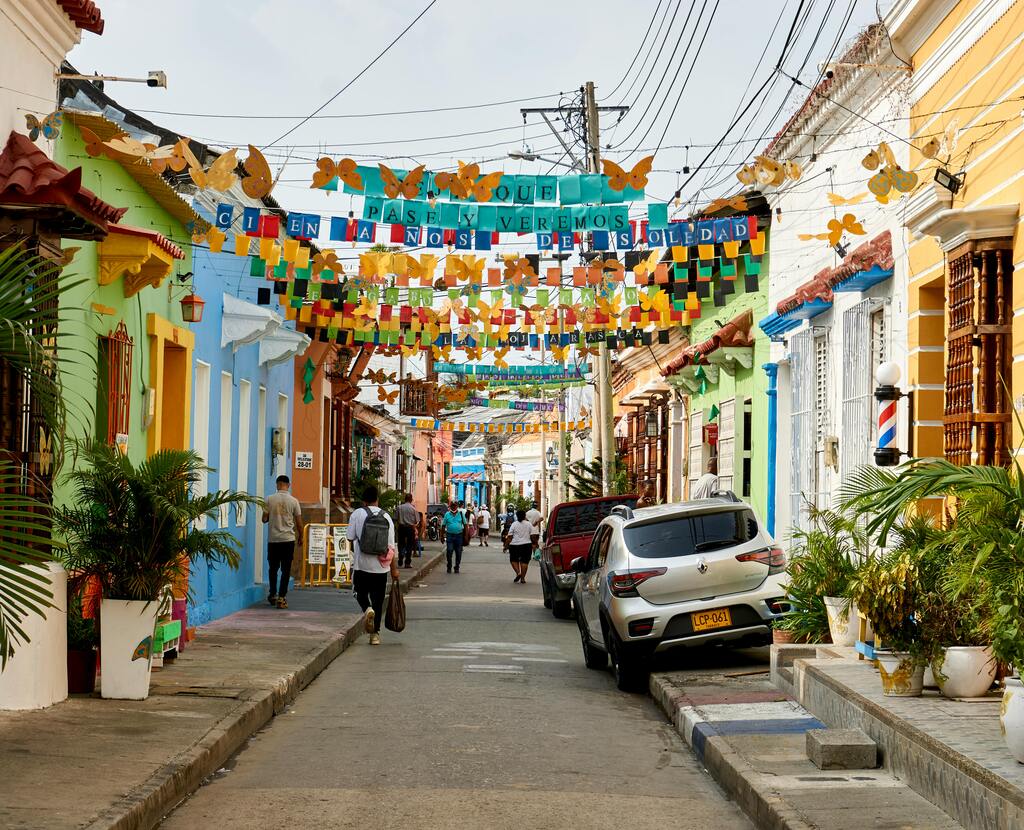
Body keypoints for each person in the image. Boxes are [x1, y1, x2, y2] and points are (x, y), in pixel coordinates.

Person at [346, 486, 398, 646]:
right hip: (381, 568)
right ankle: (374, 635)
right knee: (378, 598)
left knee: (359, 593)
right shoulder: (387, 517)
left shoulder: (357, 514)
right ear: (378, 499)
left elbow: (350, 537)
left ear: (363, 500)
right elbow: (391, 546)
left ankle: (367, 609)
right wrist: (394, 570)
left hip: (362, 565)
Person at [262, 475, 303, 609]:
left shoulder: (269, 499)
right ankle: (282, 597)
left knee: (273, 568)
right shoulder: (294, 501)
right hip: (288, 540)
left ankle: (272, 593)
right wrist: (301, 536)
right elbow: (299, 522)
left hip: (273, 539)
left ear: (277, 484)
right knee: (286, 570)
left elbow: (264, 519)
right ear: (288, 485)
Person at [507, 509, 538, 584]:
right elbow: (533, 535)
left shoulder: (514, 524)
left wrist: (506, 545)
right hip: (526, 545)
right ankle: (523, 578)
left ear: (516, 516)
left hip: (514, 545)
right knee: (524, 562)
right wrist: (535, 543)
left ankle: (518, 573)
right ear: (525, 516)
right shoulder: (529, 524)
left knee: (514, 560)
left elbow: (510, 536)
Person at [442, 500, 466, 574]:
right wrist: (442, 536)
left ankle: (457, 567)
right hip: (449, 535)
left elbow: (465, 525)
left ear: (457, 506)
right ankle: (449, 566)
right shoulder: (447, 514)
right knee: (449, 550)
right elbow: (443, 525)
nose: (453, 507)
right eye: (452, 505)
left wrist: (466, 536)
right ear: (450, 506)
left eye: (455, 505)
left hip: (459, 535)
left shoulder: (461, 514)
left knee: (458, 552)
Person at [396, 493, 418, 569]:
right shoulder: (413, 509)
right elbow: (416, 521)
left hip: (401, 527)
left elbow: (396, 518)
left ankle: (401, 555)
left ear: (404, 499)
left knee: (401, 543)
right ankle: (407, 563)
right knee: (409, 545)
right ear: (411, 500)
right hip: (410, 528)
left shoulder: (399, 507)